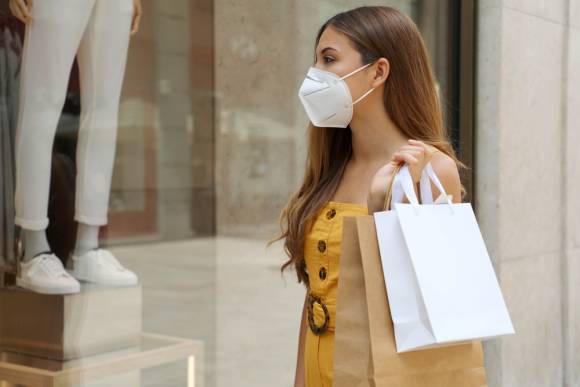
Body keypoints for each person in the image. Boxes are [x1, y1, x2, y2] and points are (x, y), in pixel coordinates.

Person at [268, 6, 467, 387]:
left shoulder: (428, 171)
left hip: (380, 374)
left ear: (378, 71)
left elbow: (425, 302)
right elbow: (315, 300)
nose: (315, 76)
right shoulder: (332, 166)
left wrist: (384, 211)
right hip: (320, 367)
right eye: (316, 61)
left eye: (329, 59)